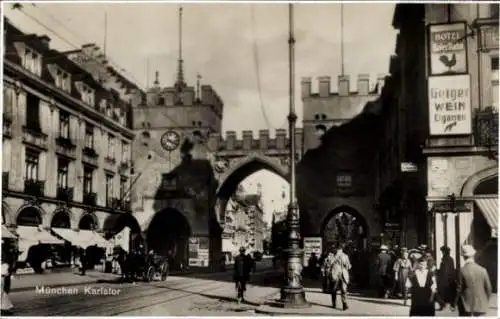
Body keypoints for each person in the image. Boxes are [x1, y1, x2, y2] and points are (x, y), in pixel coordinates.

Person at [452, 245, 492, 316]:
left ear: (463, 257)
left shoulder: (462, 271)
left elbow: (459, 290)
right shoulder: (483, 270)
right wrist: (485, 301)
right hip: (481, 307)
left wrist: (454, 304)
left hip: (466, 307)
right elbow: (489, 289)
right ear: (473, 255)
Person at [329, 244, 351, 310]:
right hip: (335, 275)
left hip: (343, 275)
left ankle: (344, 304)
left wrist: (347, 265)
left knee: (344, 290)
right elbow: (330, 264)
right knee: (334, 290)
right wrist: (335, 257)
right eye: (338, 250)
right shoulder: (332, 256)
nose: (340, 252)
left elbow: (348, 266)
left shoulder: (345, 256)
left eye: (341, 250)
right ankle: (334, 303)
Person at [436, 246, 455, 311]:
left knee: (443, 293)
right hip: (448, 279)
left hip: (445, 279)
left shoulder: (446, 259)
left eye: (442, 251)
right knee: (446, 293)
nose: (442, 253)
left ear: (445, 252)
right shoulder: (450, 259)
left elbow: (445, 271)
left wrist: (440, 279)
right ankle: (445, 306)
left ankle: (444, 306)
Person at [1, 241, 14, 316]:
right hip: (3, 274)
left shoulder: (7, 252)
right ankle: (4, 308)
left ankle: (4, 308)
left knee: (4, 290)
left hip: (5, 274)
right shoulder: (6, 252)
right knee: (4, 291)